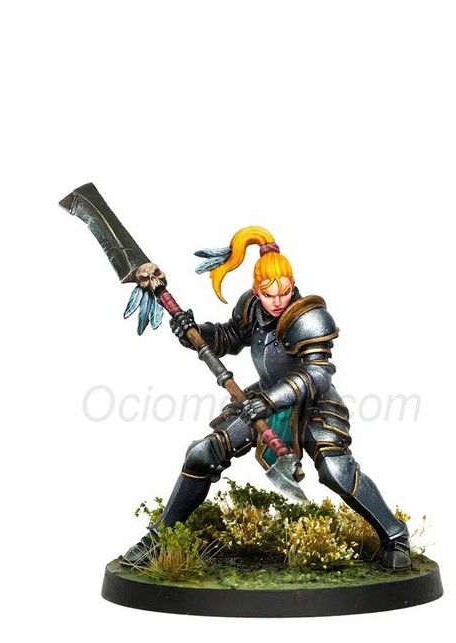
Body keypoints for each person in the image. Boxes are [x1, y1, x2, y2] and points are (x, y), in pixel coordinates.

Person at [122, 226, 411, 571]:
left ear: (293, 285)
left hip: (312, 403)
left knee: (336, 470)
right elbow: (229, 338)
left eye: (284, 292)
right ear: (257, 290)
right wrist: (195, 332)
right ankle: (160, 537)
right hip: (262, 399)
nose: (277, 301)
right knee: (202, 454)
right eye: (268, 294)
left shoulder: (310, 318)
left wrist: (272, 401)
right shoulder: (252, 307)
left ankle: (395, 536)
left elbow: (318, 374)